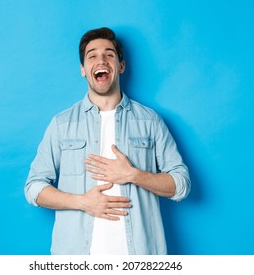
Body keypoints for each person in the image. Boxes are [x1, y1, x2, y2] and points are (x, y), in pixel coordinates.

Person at [24, 27, 191, 255]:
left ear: (120, 66)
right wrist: (83, 202)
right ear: (83, 69)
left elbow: (181, 185)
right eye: (91, 55)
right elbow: (34, 188)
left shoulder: (150, 121)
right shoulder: (62, 124)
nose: (100, 59)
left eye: (109, 54)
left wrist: (133, 174)